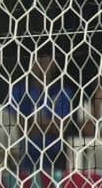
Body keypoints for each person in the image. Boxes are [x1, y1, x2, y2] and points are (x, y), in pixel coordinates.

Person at [5, 46, 79, 174]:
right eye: (37, 59)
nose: (41, 64)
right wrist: (46, 125)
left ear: (54, 63)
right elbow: (15, 125)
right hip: (25, 161)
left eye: (45, 59)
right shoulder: (18, 91)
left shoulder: (63, 92)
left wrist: (31, 124)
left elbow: (59, 127)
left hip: (56, 161)